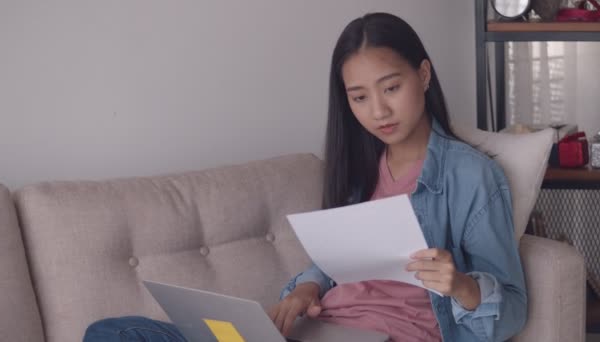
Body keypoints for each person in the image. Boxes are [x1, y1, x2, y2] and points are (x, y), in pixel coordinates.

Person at [83, 12, 527, 342]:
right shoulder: (358, 167)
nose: (378, 111)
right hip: (316, 331)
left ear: (424, 75)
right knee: (112, 333)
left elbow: (512, 310)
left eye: (391, 87)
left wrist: (463, 287)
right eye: (359, 97)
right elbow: (342, 262)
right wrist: (307, 288)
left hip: (395, 336)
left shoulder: (471, 176)